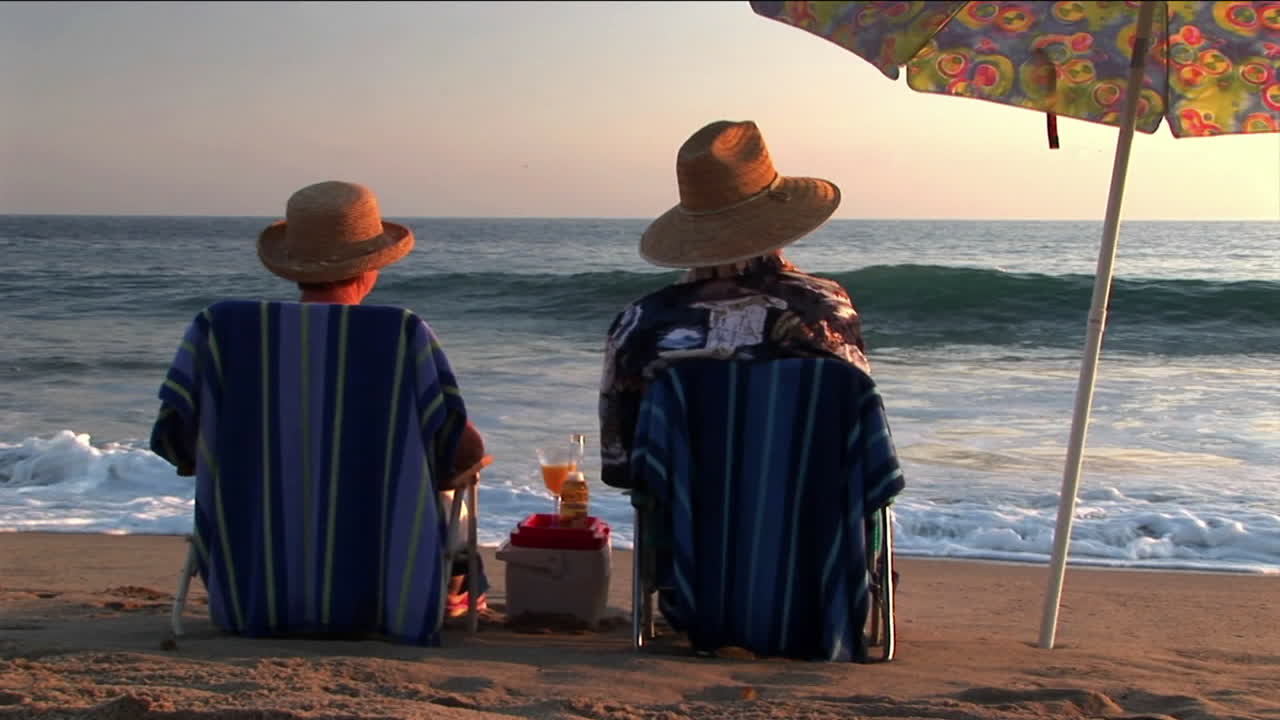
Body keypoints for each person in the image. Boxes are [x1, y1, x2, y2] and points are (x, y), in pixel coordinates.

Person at [150, 180, 487, 617]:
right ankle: (447, 590)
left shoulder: (220, 329)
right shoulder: (400, 335)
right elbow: (460, 452)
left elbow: (175, 440)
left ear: (292, 268)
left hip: (252, 569)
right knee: (449, 485)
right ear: (371, 268)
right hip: (381, 583)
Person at [598, 120, 870, 489]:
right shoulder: (828, 308)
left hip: (687, 524)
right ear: (781, 222)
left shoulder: (638, 324)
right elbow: (861, 441)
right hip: (812, 520)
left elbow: (621, 468)